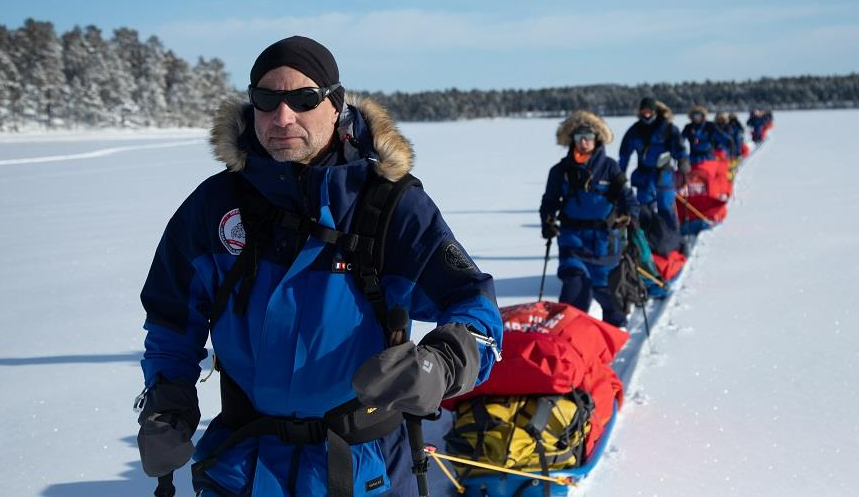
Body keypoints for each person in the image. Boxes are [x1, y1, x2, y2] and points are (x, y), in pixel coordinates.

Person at [136, 36, 503, 497]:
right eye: (267, 100)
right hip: (243, 466)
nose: (282, 116)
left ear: (335, 104)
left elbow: (474, 305)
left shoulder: (390, 205)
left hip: (365, 468)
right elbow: (172, 321)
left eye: (303, 99)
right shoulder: (215, 206)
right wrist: (167, 406)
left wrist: (442, 363)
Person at [540, 111, 640, 327]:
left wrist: (631, 217)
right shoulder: (560, 171)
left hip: (604, 242)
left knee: (610, 298)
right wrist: (547, 222)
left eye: (588, 137)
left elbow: (628, 199)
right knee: (574, 291)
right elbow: (549, 202)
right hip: (571, 239)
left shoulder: (611, 168)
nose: (584, 142)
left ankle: (613, 341)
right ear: (572, 140)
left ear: (597, 140)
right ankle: (568, 343)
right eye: (579, 138)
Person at [618, 97, 688, 256]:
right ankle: (647, 244)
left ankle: (676, 243)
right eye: (644, 111)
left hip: (664, 175)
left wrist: (683, 159)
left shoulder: (667, 128)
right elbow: (624, 154)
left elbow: (678, 147)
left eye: (649, 111)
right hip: (644, 176)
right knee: (643, 211)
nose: (646, 114)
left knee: (666, 209)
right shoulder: (634, 131)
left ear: (655, 112)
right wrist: (619, 173)